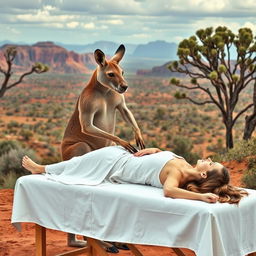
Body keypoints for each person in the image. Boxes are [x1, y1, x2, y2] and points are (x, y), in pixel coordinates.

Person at [22, 145, 248, 204]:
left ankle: (41, 169)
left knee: (78, 163)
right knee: (79, 163)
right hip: (122, 156)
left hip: (116, 166)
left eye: (210, 164)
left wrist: (201, 197)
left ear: (203, 176)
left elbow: (169, 191)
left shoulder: (176, 176)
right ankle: (44, 168)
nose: (207, 159)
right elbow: (161, 158)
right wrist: (156, 151)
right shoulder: (184, 164)